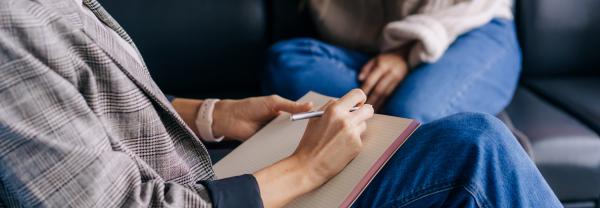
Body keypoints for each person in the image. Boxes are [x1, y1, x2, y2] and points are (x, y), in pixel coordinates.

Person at [0, 0, 561, 207]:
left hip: (454, 33)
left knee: (466, 137)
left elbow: (88, 106)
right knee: (477, 150)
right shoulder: (11, 29)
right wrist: (306, 167)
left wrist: (213, 113)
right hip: (210, 193)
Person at [263, 0, 521, 123]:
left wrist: (405, 54)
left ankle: (414, 110)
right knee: (284, 62)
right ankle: (423, 108)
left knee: (409, 116)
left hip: (467, 25)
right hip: (373, 51)